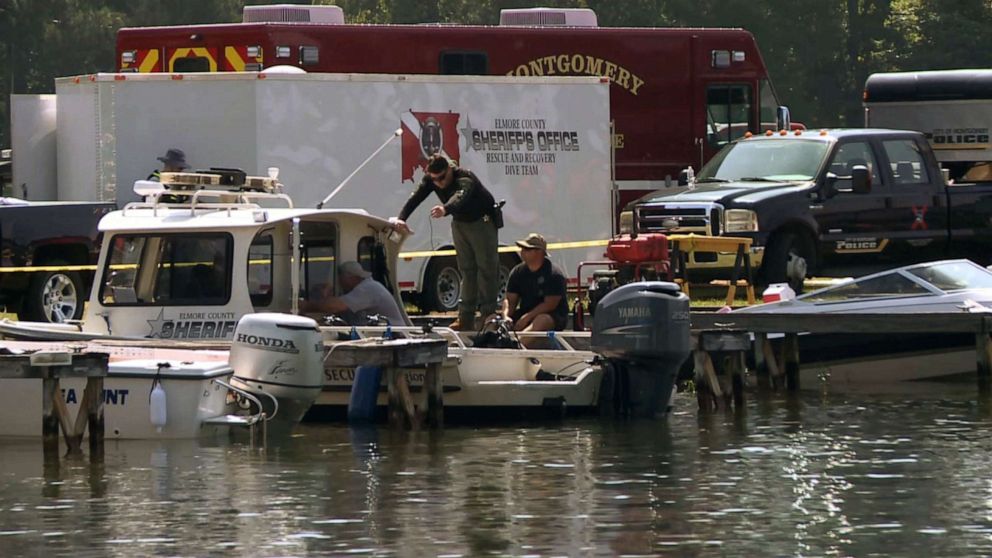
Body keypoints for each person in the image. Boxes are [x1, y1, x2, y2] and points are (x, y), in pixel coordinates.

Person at [390, 154, 499, 331]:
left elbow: (460, 196)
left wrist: (445, 208)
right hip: (460, 223)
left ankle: (488, 315)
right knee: (466, 269)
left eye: (441, 177)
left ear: (449, 169)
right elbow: (416, 196)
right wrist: (402, 218)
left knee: (486, 268)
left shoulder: (464, 177)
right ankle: (465, 318)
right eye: (434, 179)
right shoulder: (432, 179)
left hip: (481, 221)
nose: (438, 183)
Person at [301, 261, 407, 326]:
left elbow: (336, 307)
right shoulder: (365, 286)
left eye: (340, 278)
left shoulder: (367, 288)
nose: (339, 282)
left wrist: (308, 305)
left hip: (395, 333)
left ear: (350, 278)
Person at [501, 233, 569, 334]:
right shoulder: (517, 272)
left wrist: (526, 318)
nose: (522, 251)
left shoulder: (554, 274)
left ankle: (517, 345)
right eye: (522, 248)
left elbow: (549, 305)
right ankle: (488, 345)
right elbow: (510, 300)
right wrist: (506, 316)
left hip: (552, 316)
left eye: (527, 249)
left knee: (541, 320)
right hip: (525, 313)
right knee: (492, 319)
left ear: (539, 252)